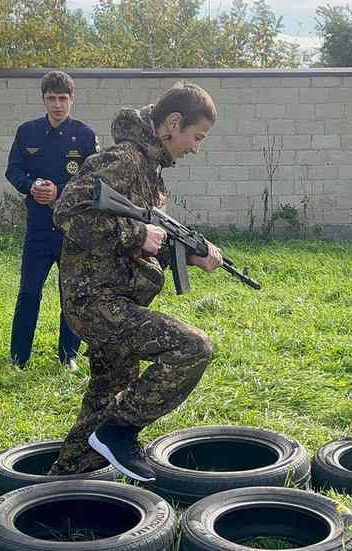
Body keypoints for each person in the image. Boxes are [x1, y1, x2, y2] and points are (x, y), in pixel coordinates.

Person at [49, 83, 223, 481]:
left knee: (104, 398)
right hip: (95, 300)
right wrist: (135, 234)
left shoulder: (152, 172)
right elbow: (66, 213)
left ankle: (62, 485)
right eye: (196, 137)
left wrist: (189, 255)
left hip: (121, 296)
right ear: (173, 124)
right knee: (192, 347)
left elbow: (146, 241)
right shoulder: (124, 160)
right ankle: (120, 432)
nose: (196, 148)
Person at [5, 70, 98, 370]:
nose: (57, 105)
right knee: (29, 292)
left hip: (72, 230)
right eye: (51, 98)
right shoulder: (27, 132)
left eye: (62, 99)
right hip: (38, 229)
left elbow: (92, 181)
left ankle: (68, 356)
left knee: (69, 294)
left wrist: (60, 191)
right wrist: (30, 186)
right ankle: (19, 358)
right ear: (43, 100)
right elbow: (14, 171)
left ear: (72, 100)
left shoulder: (84, 136)